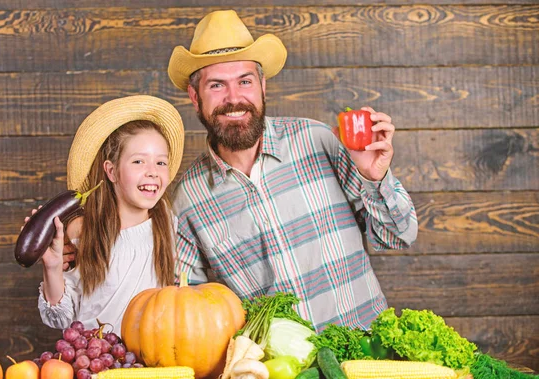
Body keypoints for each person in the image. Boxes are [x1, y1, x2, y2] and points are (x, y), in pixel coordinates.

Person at [167, 10, 418, 331]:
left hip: (365, 357)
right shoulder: (187, 201)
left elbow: (399, 237)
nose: (234, 99)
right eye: (216, 85)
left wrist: (375, 178)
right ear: (194, 96)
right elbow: (188, 312)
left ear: (262, 86)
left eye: (245, 81)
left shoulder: (317, 140)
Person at [30, 95, 185, 335]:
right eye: (138, 161)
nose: (153, 172)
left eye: (161, 163)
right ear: (111, 171)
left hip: (151, 363)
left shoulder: (167, 223)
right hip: (96, 361)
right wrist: (52, 268)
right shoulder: (83, 231)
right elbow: (59, 319)